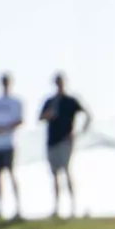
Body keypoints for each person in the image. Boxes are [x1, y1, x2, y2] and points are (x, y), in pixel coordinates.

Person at [39, 73, 89, 218]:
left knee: (66, 171)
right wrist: (48, 115)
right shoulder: (50, 101)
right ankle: (56, 208)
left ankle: (73, 207)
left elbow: (87, 114)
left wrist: (79, 132)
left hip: (65, 141)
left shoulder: (71, 101)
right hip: (51, 141)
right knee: (54, 174)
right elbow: (41, 117)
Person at [0, 73, 23, 219]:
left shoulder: (16, 102)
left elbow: (19, 120)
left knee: (11, 172)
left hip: (9, 143)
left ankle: (18, 207)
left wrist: (5, 128)